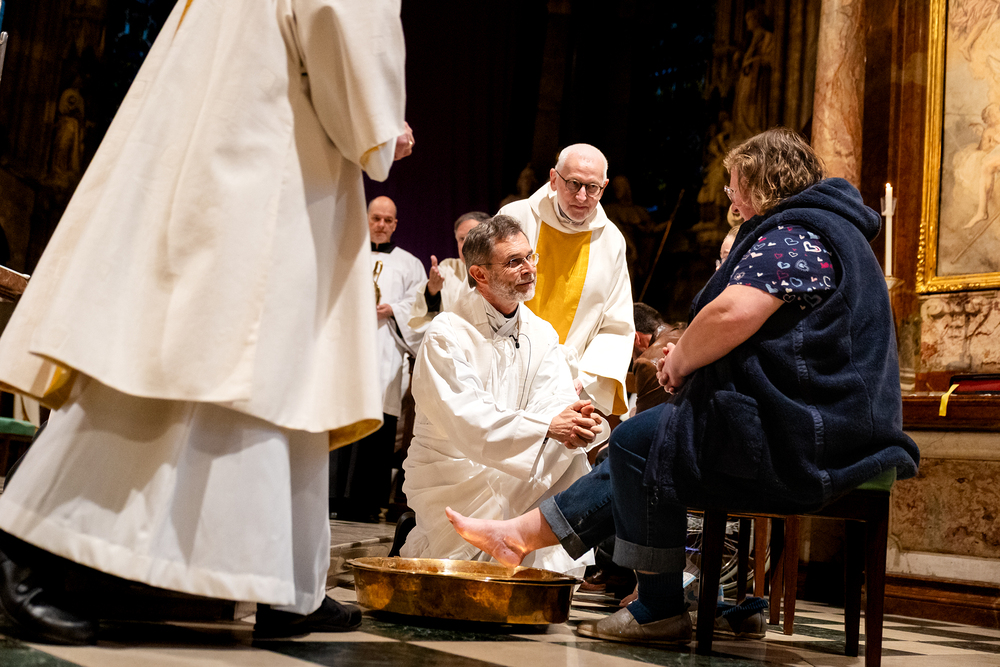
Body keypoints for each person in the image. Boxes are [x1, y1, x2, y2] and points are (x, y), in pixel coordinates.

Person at [0, 0, 412, 645]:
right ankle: (26, 550)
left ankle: (287, 584)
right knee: (184, 361)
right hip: (265, 165)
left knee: (281, 376)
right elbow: (342, 22)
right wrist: (382, 127)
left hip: (243, 136)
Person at [445, 128, 920, 646]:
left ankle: (656, 606)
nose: (730, 199)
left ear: (761, 183)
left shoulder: (795, 234)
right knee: (649, 440)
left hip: (812, 430)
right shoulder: (825, 227)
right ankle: (571, 557)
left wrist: (680, 363)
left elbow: (733, 311)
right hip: (823, 415)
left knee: (637, 442)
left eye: (735, 185)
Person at [399, 215, 603, 573]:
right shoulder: (446, 333)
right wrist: (547, 428)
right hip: (455, 469)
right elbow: (468, 416)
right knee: (551, 444)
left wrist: (573, 422)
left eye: (530, 257)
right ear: (479, 274)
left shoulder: (541, 332)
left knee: (569, 450)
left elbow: (555, 397)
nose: (529, 269)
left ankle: (526, 555)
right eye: (514, 261)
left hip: (517, 458)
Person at [498, 144, 634, 421]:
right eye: (573, 183)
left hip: (566, 384)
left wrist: (587, 376)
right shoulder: (515, 219)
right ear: (554, 178)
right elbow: (486, 292)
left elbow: (616, 324)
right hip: (503, 366)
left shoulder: (611, 241)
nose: (582, 196)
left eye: (592, 187)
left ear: (604, 187)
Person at [331, 196, 425, 523]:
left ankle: (367, 503)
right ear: (366, 218)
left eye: (388, 220)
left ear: (395, 224)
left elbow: (419, 309)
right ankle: (331, 497)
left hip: (384, 354)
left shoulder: (409, 264)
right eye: (376, 218)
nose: (381, 225)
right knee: (339, 415)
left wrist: (393, 309)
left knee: (377, 425)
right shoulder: (346, 254)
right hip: (345, 349)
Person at [408, 211, 489, 328]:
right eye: (461, 239)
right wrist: (432, 291)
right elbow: (428, 312)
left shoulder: (500, 269)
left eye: (471, 237)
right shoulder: (448, 268)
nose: (465, 245)